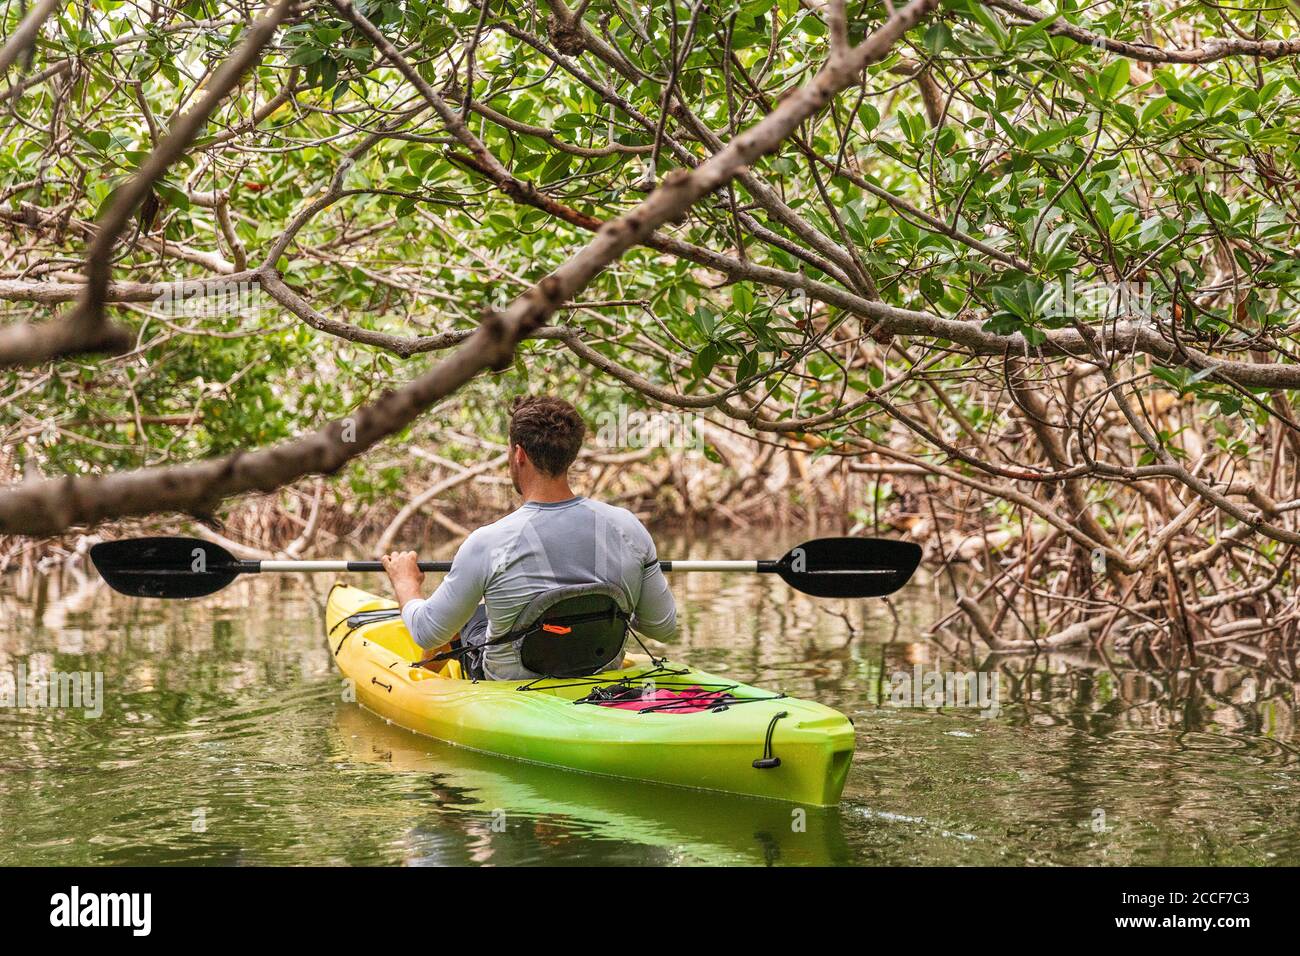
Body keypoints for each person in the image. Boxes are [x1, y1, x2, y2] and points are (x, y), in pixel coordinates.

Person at [380, 395, 677, 680]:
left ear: (519, 454)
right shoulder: (628, 527)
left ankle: (420, 678)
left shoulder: (487, 543)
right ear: (570, 454)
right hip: (600, 672)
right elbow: (662, 628)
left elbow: (427, 631)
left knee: (466, 619)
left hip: (508, 685)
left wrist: (406, 582)